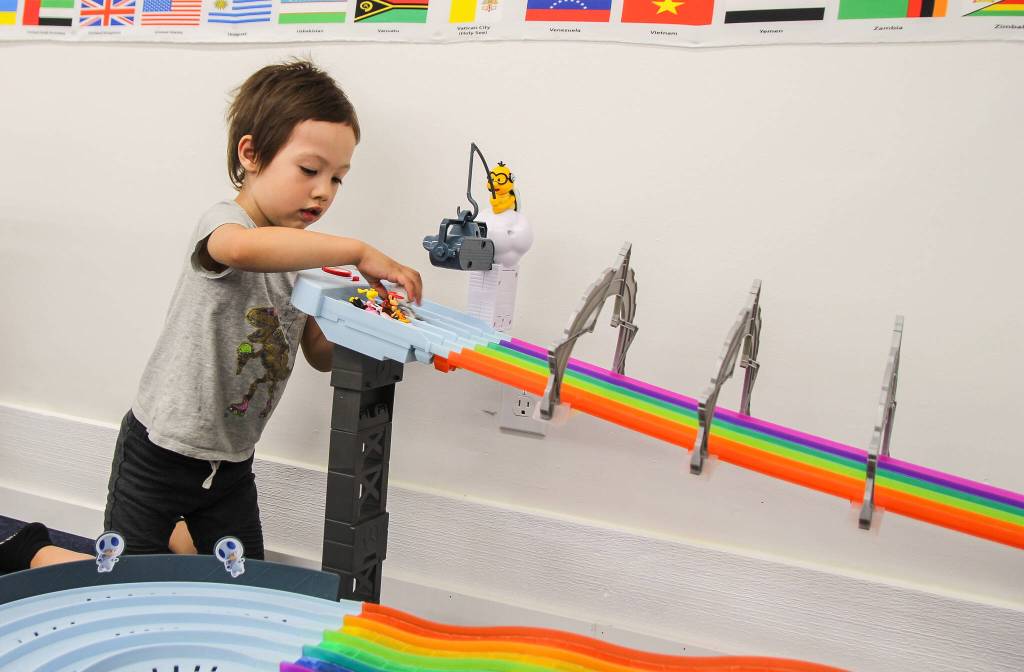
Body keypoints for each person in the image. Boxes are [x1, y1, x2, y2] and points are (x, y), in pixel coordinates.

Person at [103, 59, 422, 560]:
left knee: (244, 579)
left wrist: (372, 321)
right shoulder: (226, 223)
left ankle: (182, 540)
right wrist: (358, 250)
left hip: (231, 463)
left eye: (338, 179)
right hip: (159, 452)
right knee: (124, 580)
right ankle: (30, 549)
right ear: (250, 154)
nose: (324, 191)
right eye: (310, 170)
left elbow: (318, 353)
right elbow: (241, 251)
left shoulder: (305, 259)